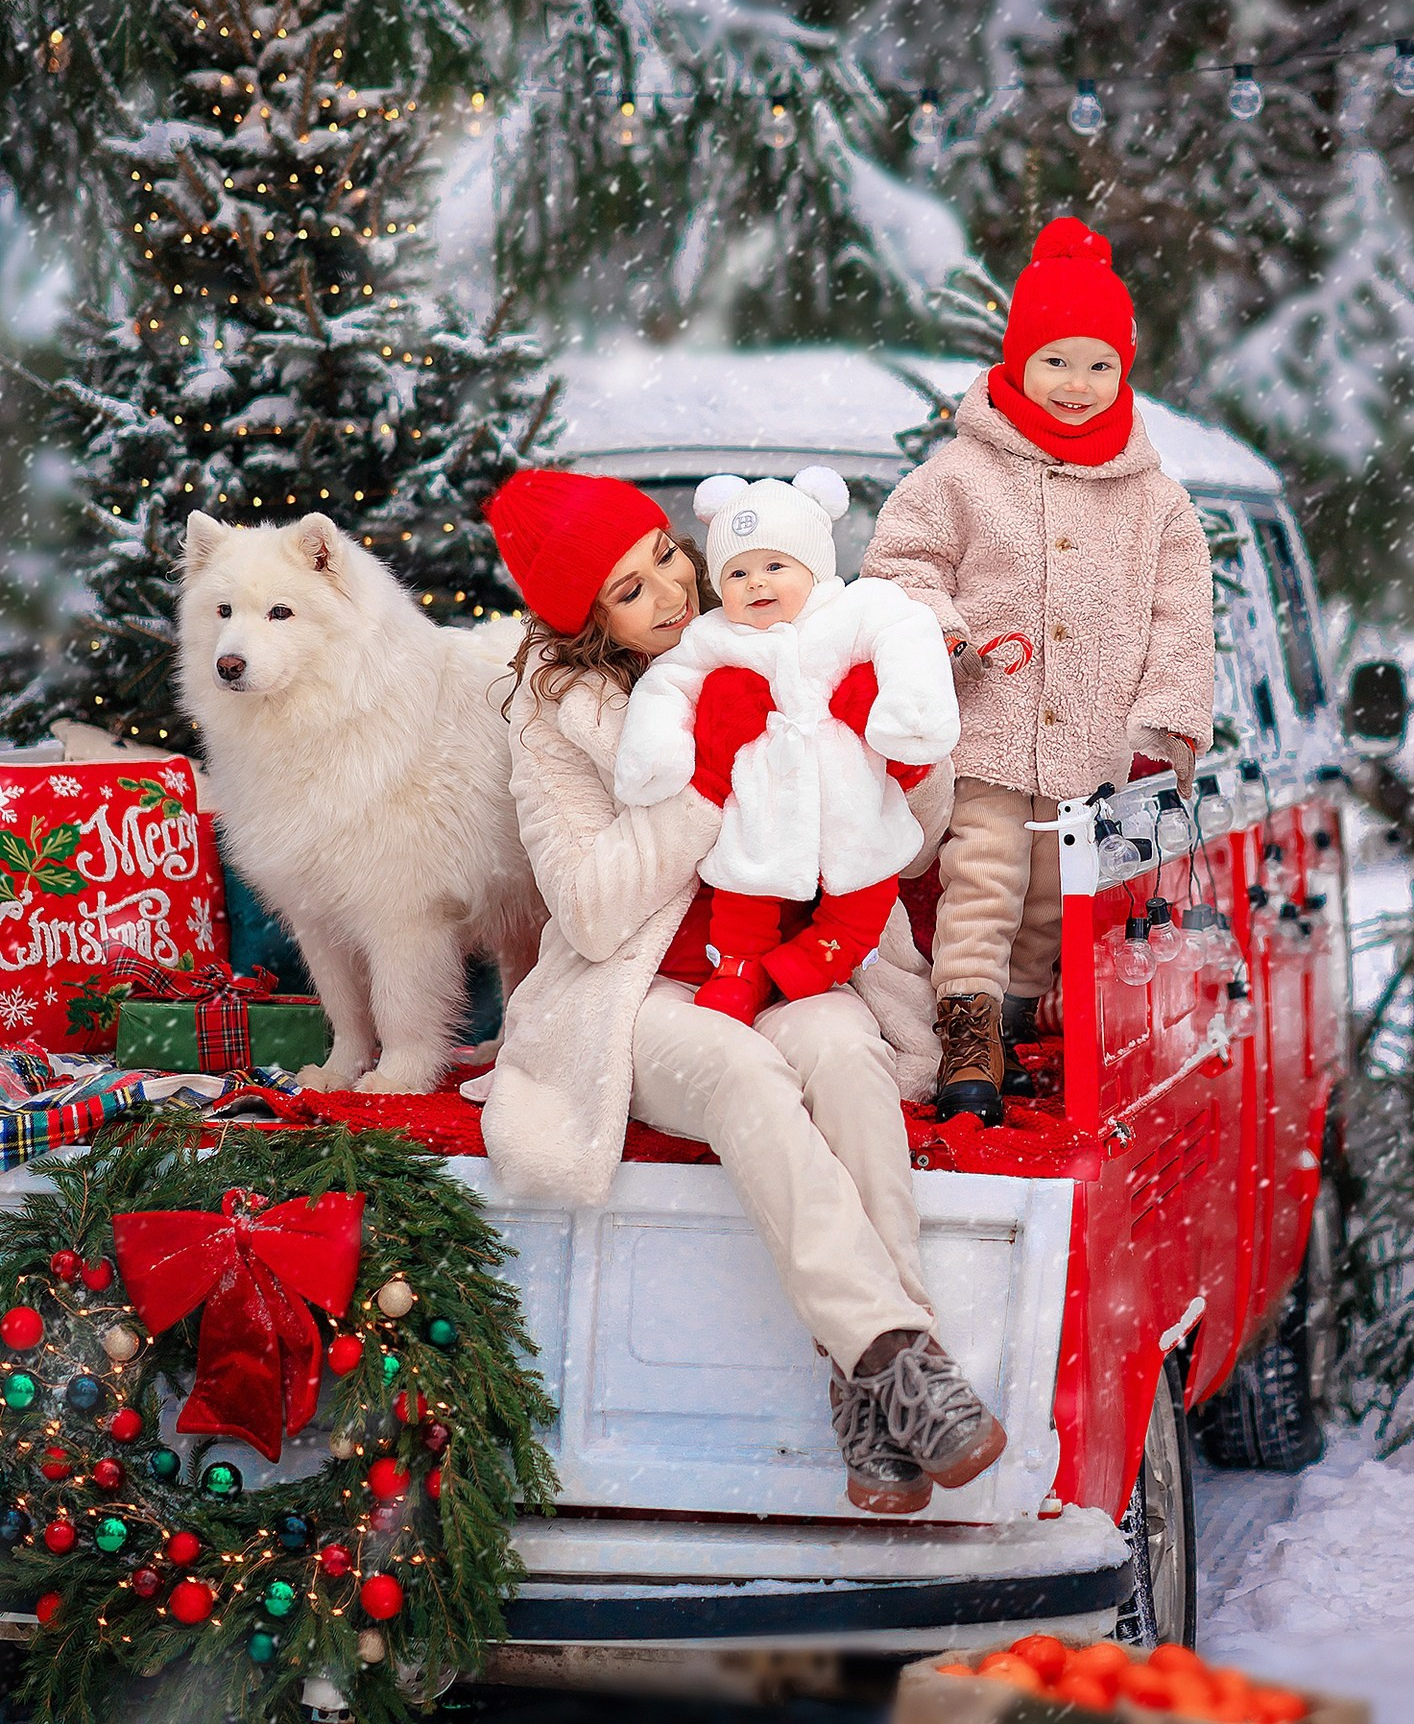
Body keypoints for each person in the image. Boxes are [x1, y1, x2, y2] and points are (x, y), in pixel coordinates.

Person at [481, 466, 1006, 1516]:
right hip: (642, 995)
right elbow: (588, 911)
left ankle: (876, 1404)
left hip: (797, 961)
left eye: (664, 557)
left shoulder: (795, 624)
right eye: (629, 591)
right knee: (744, 1073)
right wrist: (706, 783)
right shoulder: (555, 724)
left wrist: (897, 754)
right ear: (585, 622)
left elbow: (910, 848)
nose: (671, 593)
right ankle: (896, 1357)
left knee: (845, 1060)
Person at [863, 216, 1215, 1126]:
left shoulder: (1155, 498)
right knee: (982, 880)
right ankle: (968, 1029)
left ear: (1124, 371)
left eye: (1099, 365)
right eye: (1056, 361)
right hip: (987, 724)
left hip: (1092, 744)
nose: (1077, 384)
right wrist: (941, 634)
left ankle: (1015, 1018)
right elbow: (901, 564)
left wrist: (1166, 717)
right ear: (1018, 363)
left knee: (1053, 898)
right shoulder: (960, 474)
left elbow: (1181, 617)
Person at [611, 468, 959, 1023]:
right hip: (762, 804)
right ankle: (739, 972)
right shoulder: (715, 634)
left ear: (813, 567)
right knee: (741, 899)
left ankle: (804, 969)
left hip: (853, 801)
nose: (755, 583)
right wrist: (656, 757)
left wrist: (907, 713)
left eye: (775, 566)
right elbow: (668, 682)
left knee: (864, 899)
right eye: (738, 572)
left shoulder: (855, 609)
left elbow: (909, 632)